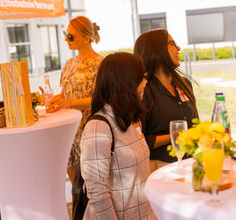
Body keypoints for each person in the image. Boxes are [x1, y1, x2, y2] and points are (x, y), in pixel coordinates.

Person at [80, 52, 151, 219]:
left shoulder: (131, 120)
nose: (145, 82)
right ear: (126, 82)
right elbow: (97, 191)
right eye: (141, 77)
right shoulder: (98, 127)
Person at [43, 16, 103, 183]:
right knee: (76, 186)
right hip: (69, 131)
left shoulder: (101, 64)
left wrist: (69, 102)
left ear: (86, 37)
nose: (66, 39)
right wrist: (55, 99)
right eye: (66, 34)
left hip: (89, 131)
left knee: (92, 184)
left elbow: (100, 100)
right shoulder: (70, 63)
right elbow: (66, 93)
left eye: (71, 36)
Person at [134, 29, 198, 170]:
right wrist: (176, 135)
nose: (178, 48)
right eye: (172, 44)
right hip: (160, 167)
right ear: (156, 50)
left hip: (190, 163)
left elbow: (194, 123)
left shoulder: (185, 84)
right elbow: (137, 139)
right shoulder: (143, 90)